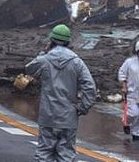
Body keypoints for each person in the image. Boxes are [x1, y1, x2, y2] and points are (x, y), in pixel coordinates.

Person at [26, 24, 96, 161]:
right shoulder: (77, 62)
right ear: (68, 42)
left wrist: (43, 53)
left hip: (48, 115)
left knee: (44, 152)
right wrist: (83, 107)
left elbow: (29, 69)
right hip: (68, 116)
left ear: (51, 40)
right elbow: (90, 87)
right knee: (66, 154)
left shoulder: (45, 60)